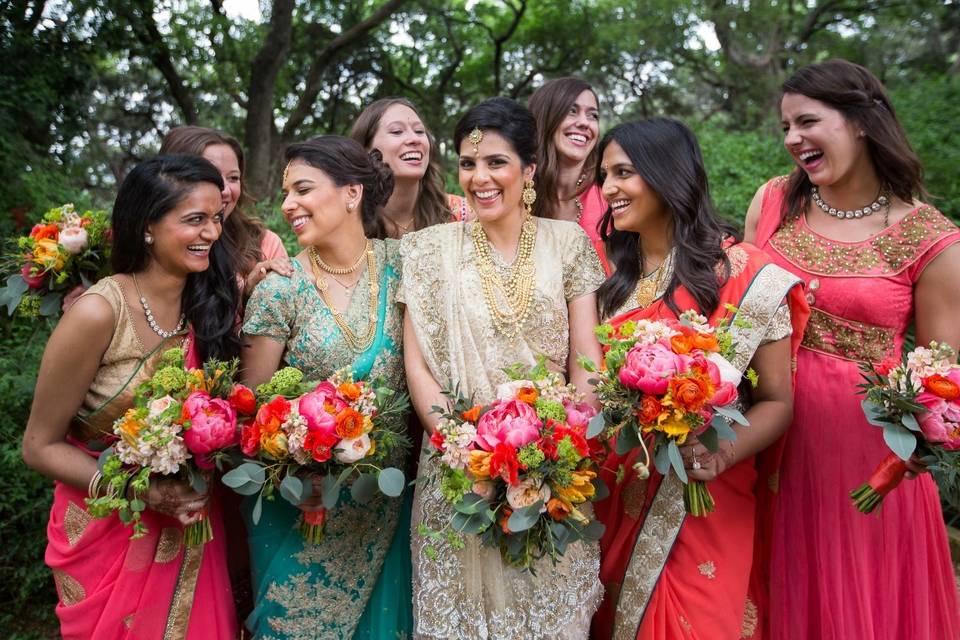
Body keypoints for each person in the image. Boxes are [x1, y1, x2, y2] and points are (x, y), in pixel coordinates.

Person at [744, 58, 960, 640]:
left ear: (861, 122)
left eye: (807, 122)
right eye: (785, 126)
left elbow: (941, 379)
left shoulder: (931, 238)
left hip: (863, 461)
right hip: (763, 436)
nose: (792, 139)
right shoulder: (772, 204)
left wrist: (908, 458)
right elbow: (735, 318)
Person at [590, 118, 809, 640]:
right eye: (604, 176)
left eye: (623, 173)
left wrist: (720, 455)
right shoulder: (606, 276)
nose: (608, 190)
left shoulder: (745, 275)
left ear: (668, 175)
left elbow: (778, 401)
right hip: (613, 496)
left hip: (706, 495)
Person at [400, 97, 605, 639]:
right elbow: (418, 364)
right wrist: (462, 448)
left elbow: (587, 360)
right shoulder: (425, 251)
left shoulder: (569, 244)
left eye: (495, 162)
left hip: (552, 472)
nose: (479, 178)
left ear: (529, 170)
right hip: (457, 474)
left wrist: (561, 448)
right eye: (468, 164)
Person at [22, 154, 241, 639]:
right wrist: (142, 490)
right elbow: (38, 446)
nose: (210, 233)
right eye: (194, 220)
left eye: (216, 219)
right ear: (146, 227)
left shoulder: (210, 307)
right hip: (108, 531)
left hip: (193, 528)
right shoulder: (99, 313)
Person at [240, 136, 412, 639]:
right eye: (285, 192)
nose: (288, 204)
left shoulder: (406, 265)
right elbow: (251, 412)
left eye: (303, 189)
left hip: (386, 503)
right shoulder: (280, 287)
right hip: (303, 508)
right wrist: (298, 467)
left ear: (352, 194)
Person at [160, 126, 291, 299]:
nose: (225, 190)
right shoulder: (157, 244)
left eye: (233, 178)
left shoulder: (264, 243)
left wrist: (251, 294)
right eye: (211, 176)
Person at [351, 97, 469, 236]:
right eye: (397, 131)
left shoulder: (462, 215)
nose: (414, 139)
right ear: (366, 149)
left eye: (419, 131)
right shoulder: (346, 220)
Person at [528, 77, 608, 269]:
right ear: (545, 118)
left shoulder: (610, 195)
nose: (584, 123)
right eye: (572, 111)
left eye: (592, 115)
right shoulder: (517, 193)